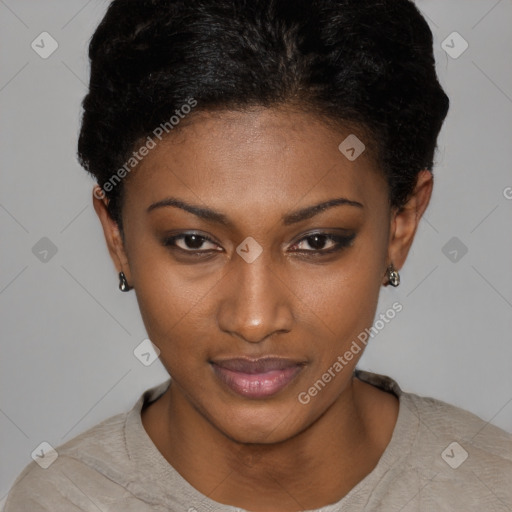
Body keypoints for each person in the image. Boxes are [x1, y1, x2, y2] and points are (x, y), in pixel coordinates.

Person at [4, 0, 511, 510]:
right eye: (193, 241)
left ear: (401, 225)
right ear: (117, 237)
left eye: (317, 242)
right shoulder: (59, 501)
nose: (253, 320)